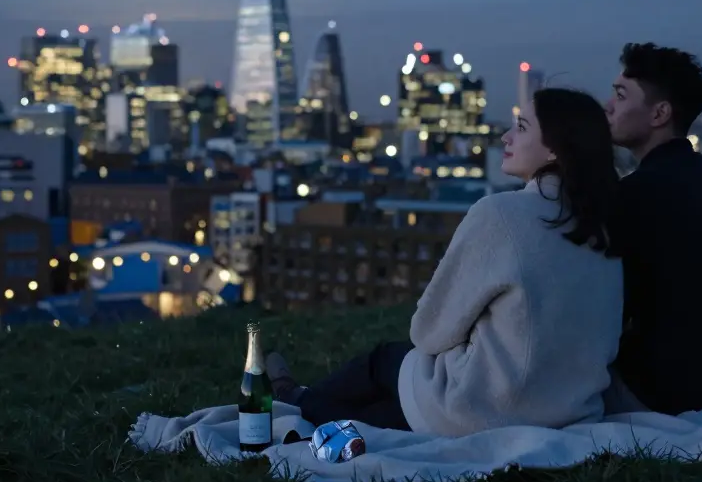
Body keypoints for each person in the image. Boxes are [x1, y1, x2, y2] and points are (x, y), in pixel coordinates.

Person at [266, 88, 625, 436]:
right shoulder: (606, 227)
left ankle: (293, 399)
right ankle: (298, 397)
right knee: (387, 373)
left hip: (489, 410)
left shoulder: (501, 213)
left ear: (554, 149)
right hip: (569, 411)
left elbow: (428, 331)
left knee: (376, 386)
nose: (505, 136)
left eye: (521, 127)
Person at [603, 42, 702, 415]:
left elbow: (604, 311)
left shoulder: (638, 193)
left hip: (661, 391)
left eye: (621, 95)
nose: (608, 105)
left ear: (660, 113)